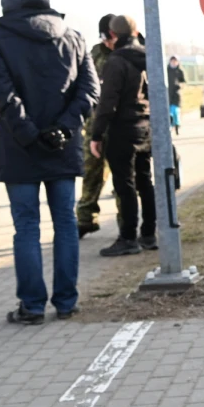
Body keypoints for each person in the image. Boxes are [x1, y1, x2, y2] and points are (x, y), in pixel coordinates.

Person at [0, 0, 99, 324]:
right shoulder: (74, 37)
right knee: (65, 222)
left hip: (18, 147)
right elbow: (90, 91)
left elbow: (1, 91)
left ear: (9, 1)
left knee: (27, 226)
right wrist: (62, 129)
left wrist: (30, 133)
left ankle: (32, 307)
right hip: (61, 147)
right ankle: (66, 303)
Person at [90, 15, 156, 257]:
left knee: (124, 185)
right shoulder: (149, 57)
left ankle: (128, 237)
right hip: (146, 128)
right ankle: (149, 234)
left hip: (122, 130)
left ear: (113, 35)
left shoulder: (116, 61)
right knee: (145, 181)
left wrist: (96, 135)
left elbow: (108, 101)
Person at [76, 13, 117, 237]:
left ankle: (126, 225)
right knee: (91, 172)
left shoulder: (127, 54)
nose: (106, 41)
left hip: (119, 126)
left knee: (121, 177)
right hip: (94, 124)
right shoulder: (93, 55)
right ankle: (85, 219)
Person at [167, 55, 186, 135]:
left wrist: (180, 86)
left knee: (175, 111)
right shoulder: (167, 70)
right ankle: (170, 126)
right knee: (169, 111)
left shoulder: (180, 71)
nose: (173, 62)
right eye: (172, 61)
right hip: (168, 93)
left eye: (175, 61)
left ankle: (177, 125)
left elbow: (183, 81)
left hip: (177, 94)